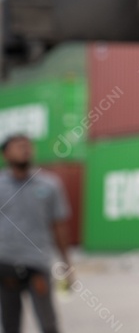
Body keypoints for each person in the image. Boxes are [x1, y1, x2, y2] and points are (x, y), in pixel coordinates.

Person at [0, 134, 71, 333]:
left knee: (49, 325)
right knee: (10, 325)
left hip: (37, 264)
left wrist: (66, 262)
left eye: (27, 146)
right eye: (18, 146)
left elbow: (59, 225)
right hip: (5, 265)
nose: (25, 149)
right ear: (6, 153)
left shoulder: (49, 185)